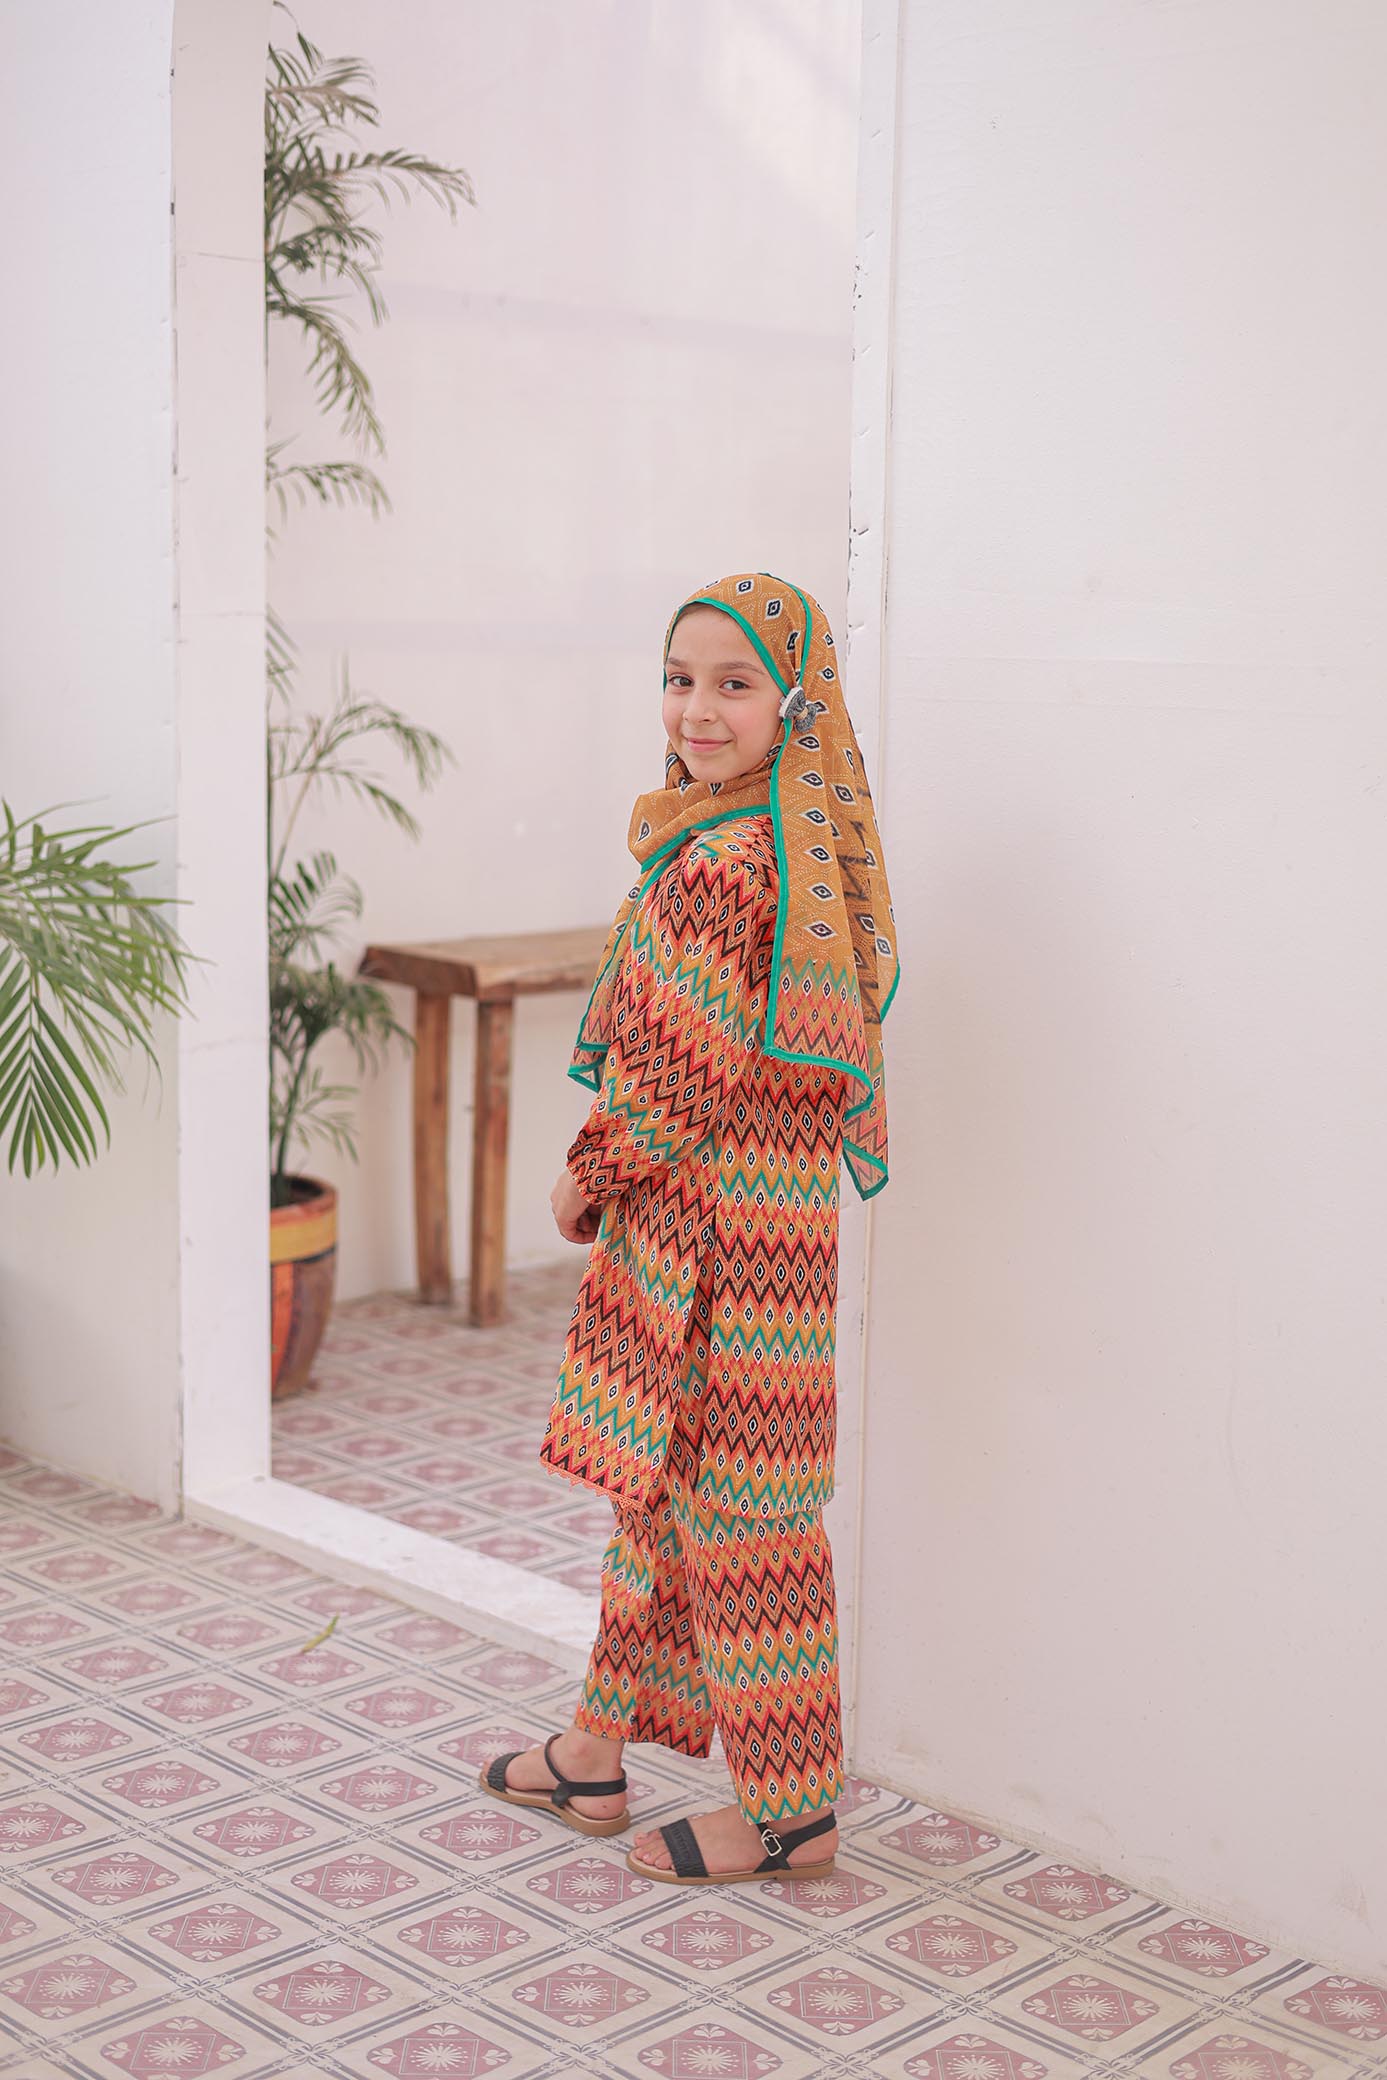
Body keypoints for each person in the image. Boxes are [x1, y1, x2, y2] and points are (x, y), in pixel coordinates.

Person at [479, 569, 898, 1885]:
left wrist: (587, 1172)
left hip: (721, 1247)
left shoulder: (731, 864)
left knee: (741, 1521)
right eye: (679, 679)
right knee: (664, 1506)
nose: (697, 709)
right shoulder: (757, 840)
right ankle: (595, 1753)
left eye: (733, 684)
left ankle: (790, 1810)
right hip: (747, 1234)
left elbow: (677, 1067)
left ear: (798, 704)